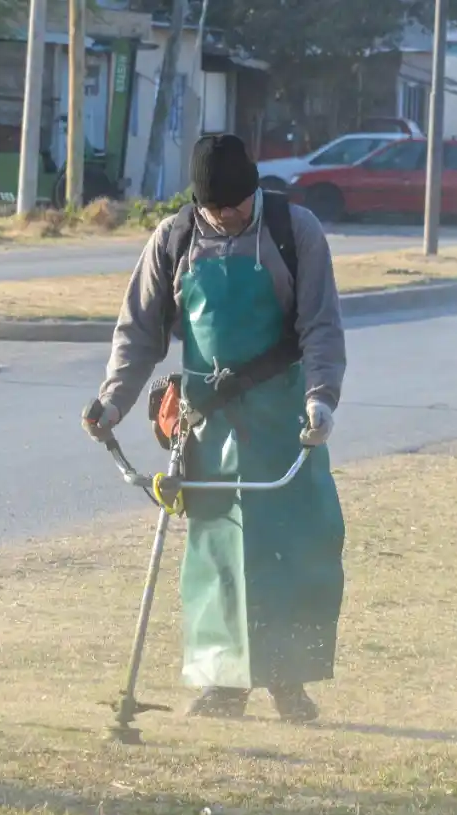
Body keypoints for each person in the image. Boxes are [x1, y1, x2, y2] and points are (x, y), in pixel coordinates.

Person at [81, 133, 347, 724]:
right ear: (199, 202)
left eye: (239, 205)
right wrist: (112, 403)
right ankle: (223, 684)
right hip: (206, 426)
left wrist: (321, 401)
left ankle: (289, 681)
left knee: (293, 550)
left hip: (285, 424)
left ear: (255, 189)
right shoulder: (174, 240)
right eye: (217, 209)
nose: (229, 217)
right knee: (218, 556)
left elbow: (321, 328)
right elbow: (139, 336)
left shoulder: (293, 232)